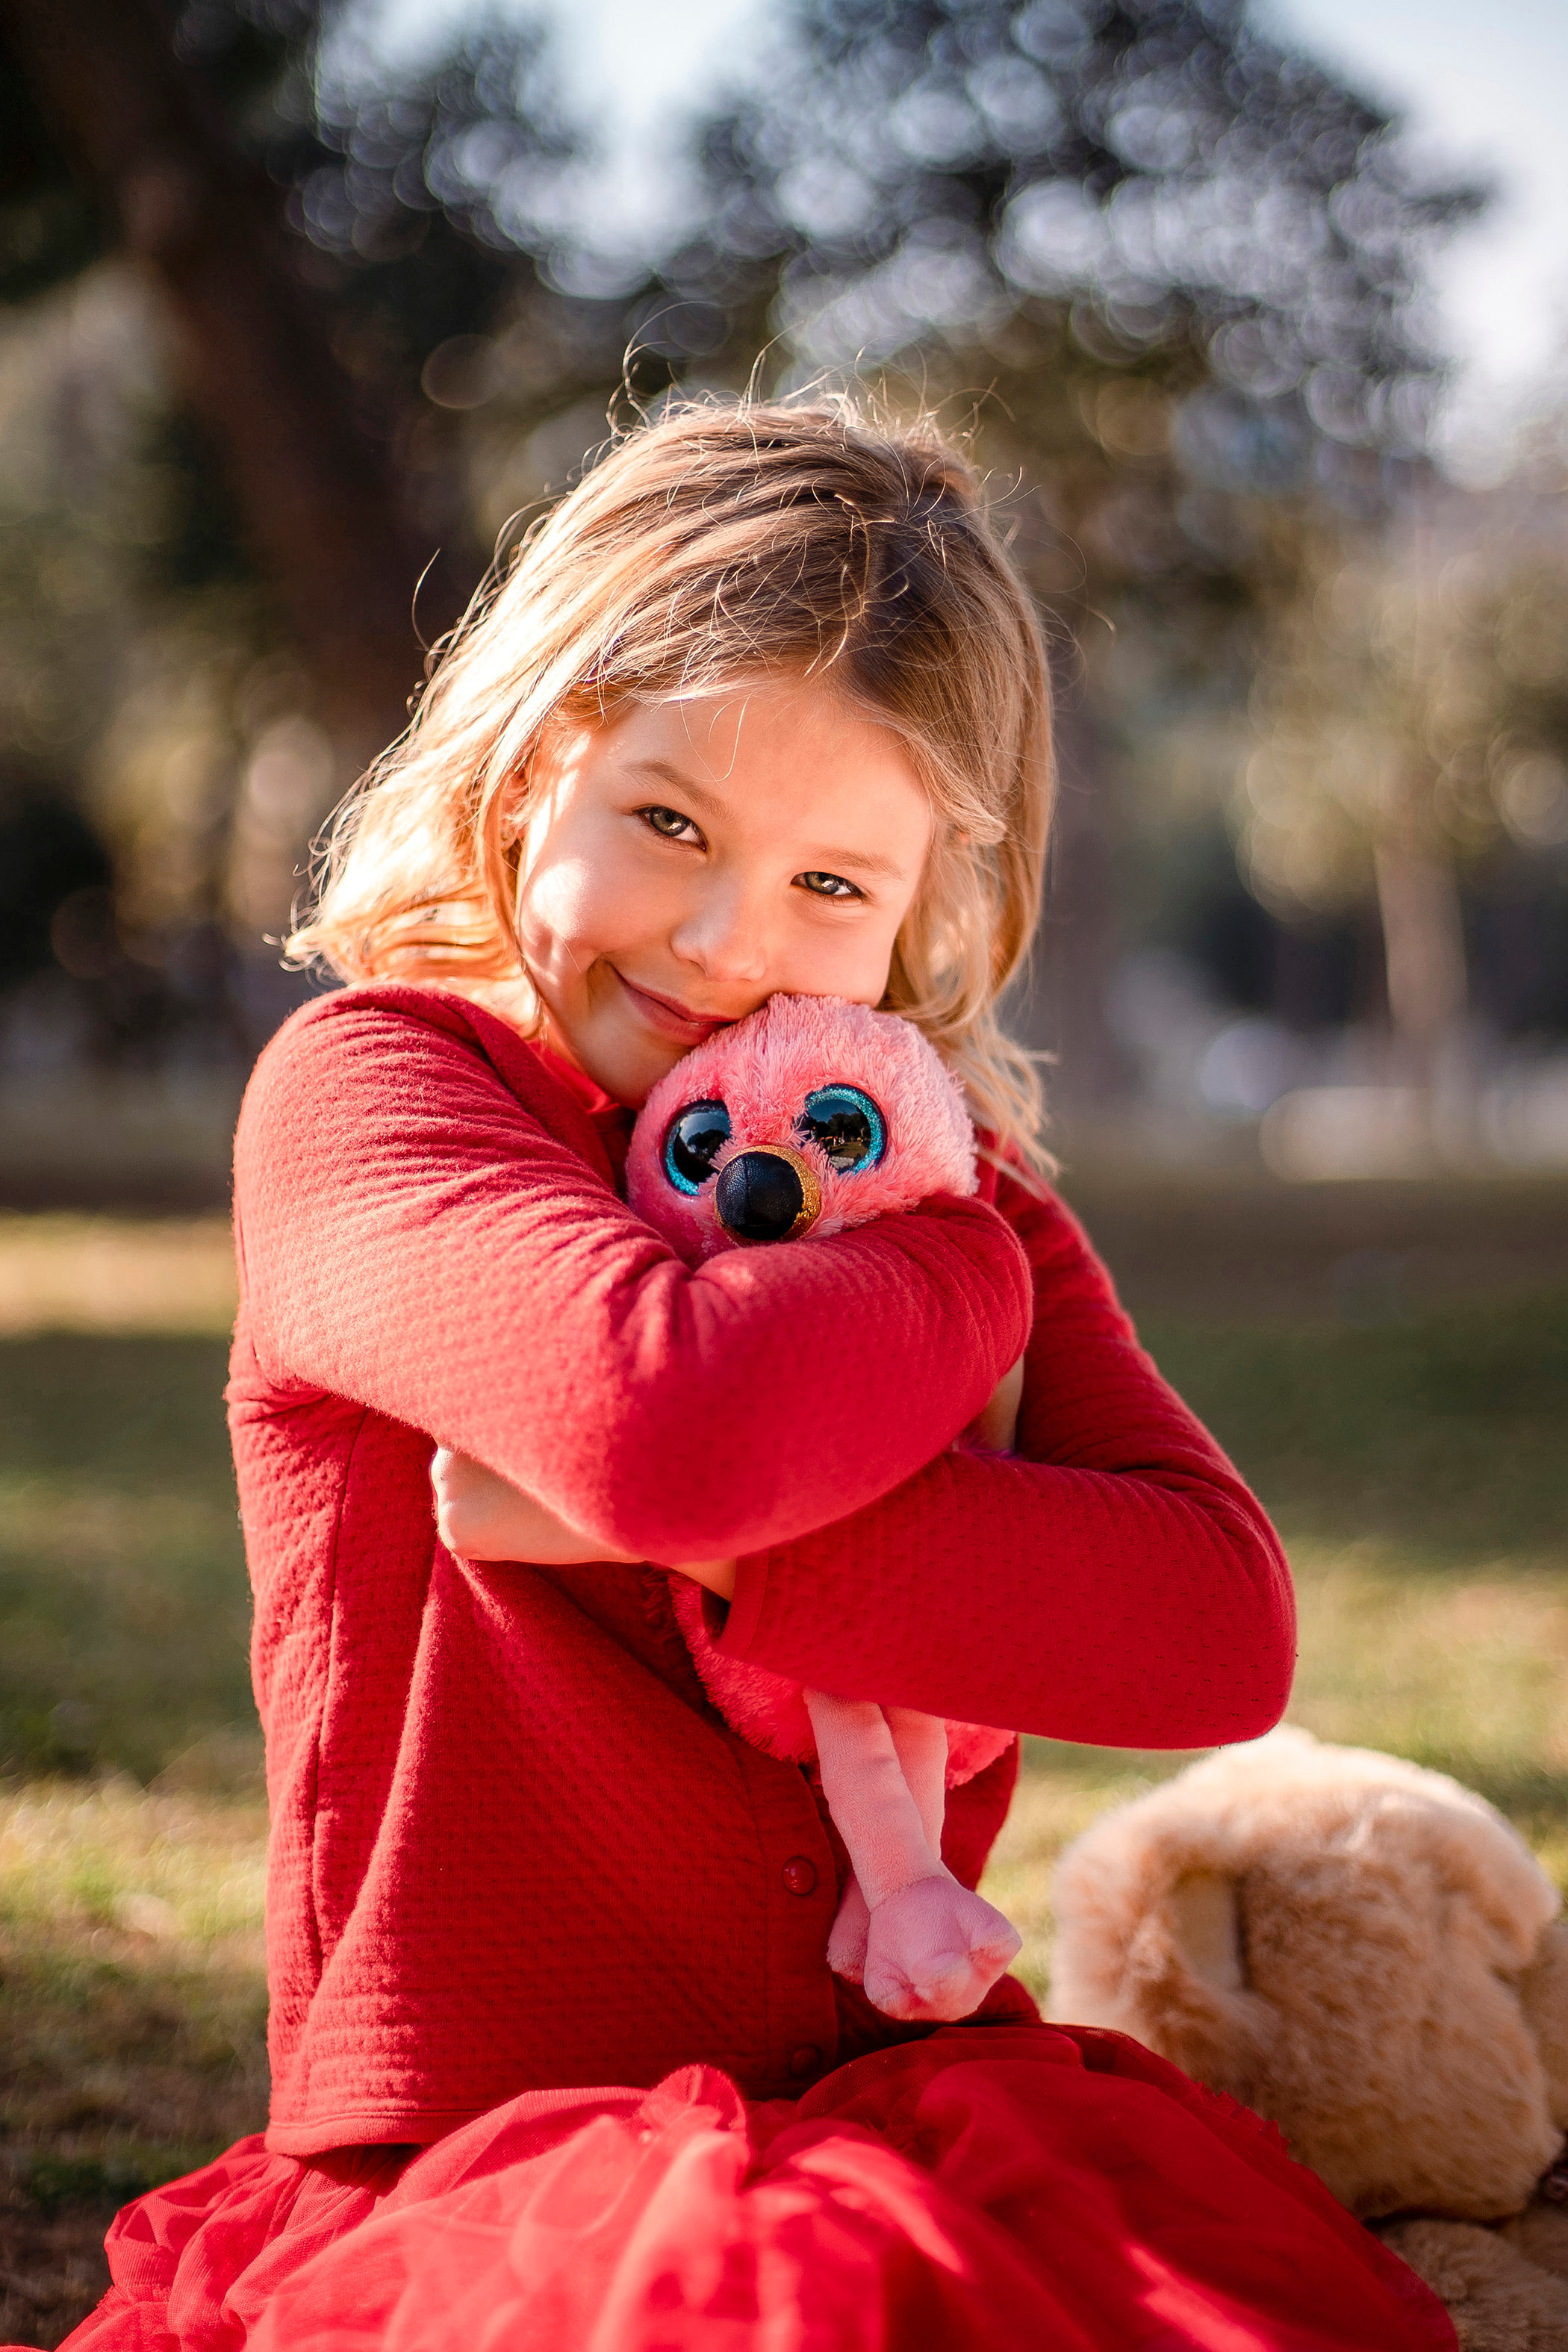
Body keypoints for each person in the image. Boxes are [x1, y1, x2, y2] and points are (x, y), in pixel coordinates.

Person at [47, 399, 1455, 2352]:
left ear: (928, 907)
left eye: (831, 889)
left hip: (915, 2110)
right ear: (540, 761)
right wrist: (930, 1325)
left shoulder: (948, 1201)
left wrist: (917, 1298)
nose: (725, 945)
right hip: (491, 2178)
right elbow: (669, 1428)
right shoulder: (380, 1096)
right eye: (672, 826)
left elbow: (1217, 1633)